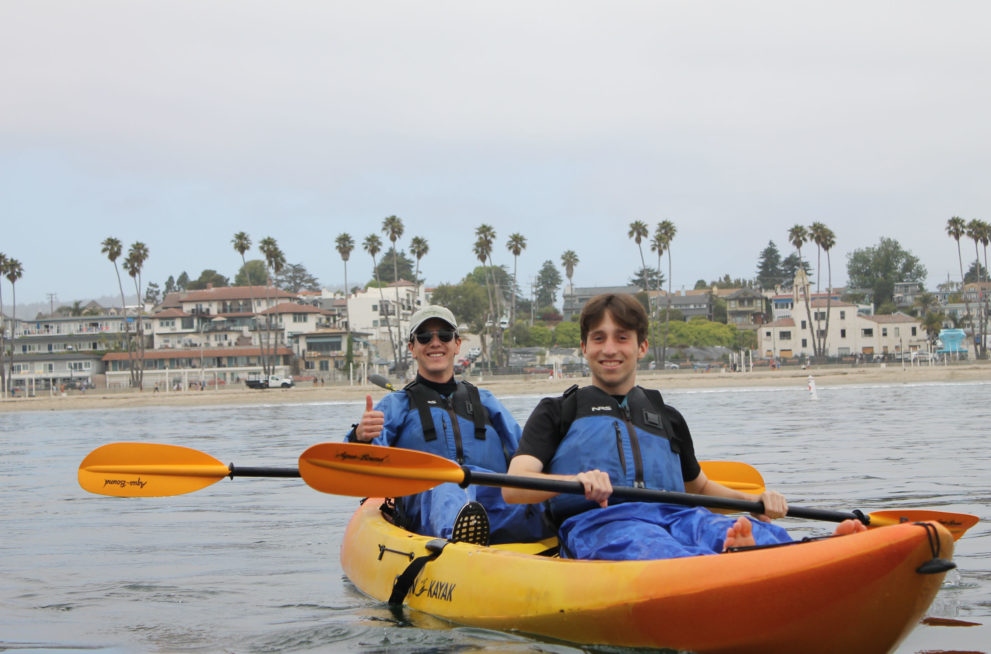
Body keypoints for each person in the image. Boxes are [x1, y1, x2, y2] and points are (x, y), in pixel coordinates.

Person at [503, 293, 865, 560]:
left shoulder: (667, 417)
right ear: (584, 347)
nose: (609, 348)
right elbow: (514, 487)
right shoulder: (558, 411)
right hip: (603, 525)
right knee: (653, 549)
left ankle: (808, 554)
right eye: (599, 338)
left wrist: (754, 502)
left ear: (642, 347)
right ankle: (731, 565)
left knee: (754, 531)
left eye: (622, 337)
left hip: (683, 516)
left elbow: (700, 487)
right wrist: (575, 481)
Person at [348, 304, 549, 544]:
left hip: (493, 501)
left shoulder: (486, 401)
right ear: (412, 348)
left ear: (457, 344)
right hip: (430, 505)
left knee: (547, 496)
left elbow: (525, 453)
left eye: (444, 336)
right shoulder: (396, 405)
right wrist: (360, 438)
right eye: (424, 337)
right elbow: (364, 466)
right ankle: (460, 541)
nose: (435, 343)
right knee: (450, 480)